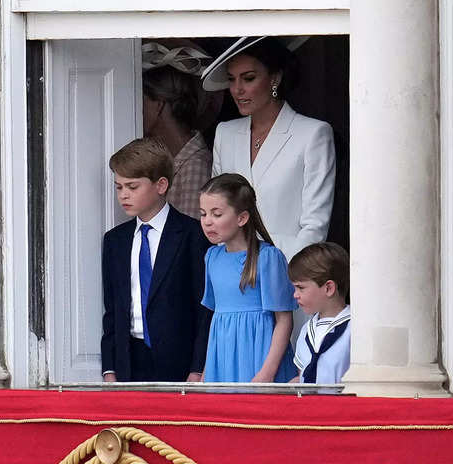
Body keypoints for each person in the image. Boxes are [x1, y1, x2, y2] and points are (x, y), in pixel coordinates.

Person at [202, 36, 336, 261]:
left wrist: (279, 270)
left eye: (249, 78)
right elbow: (216, 207)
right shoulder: (225, 133)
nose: (237, 89)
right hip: (232, 269)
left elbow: (315, 226)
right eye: (232, 79)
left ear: (275, 78)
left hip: (287, 270)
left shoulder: (313, 134)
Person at [101, 137, 211, 383]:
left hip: (178, 360)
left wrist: (198, 367)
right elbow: (112, 309)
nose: (124, 195)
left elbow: (203, 308)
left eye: (132, 186)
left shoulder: (193, 235)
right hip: (129, 359)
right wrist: (110, 368)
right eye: (119, 187)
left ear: (161, 185)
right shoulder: (114, 241)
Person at [199, 173, 298, 383]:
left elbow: (284, 320)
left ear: (242, 218)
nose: (207, 222)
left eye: (216, 214)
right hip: (223, 358)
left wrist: (267, 373)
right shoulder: (211, 257)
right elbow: (216, 320)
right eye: (203, 214)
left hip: (259, 356)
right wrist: (208, 371)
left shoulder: (268, 257)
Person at [142, 40, 218, 219]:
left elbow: (191, 239)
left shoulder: (195, 166)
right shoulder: (172, 160)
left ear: (158, 105)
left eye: (142, 101)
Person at [288, 242, 351, 384]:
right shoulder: (306, 331)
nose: (295, 295)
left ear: (328, 288)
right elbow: (302, 373)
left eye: (301, 288)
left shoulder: (354, 329)